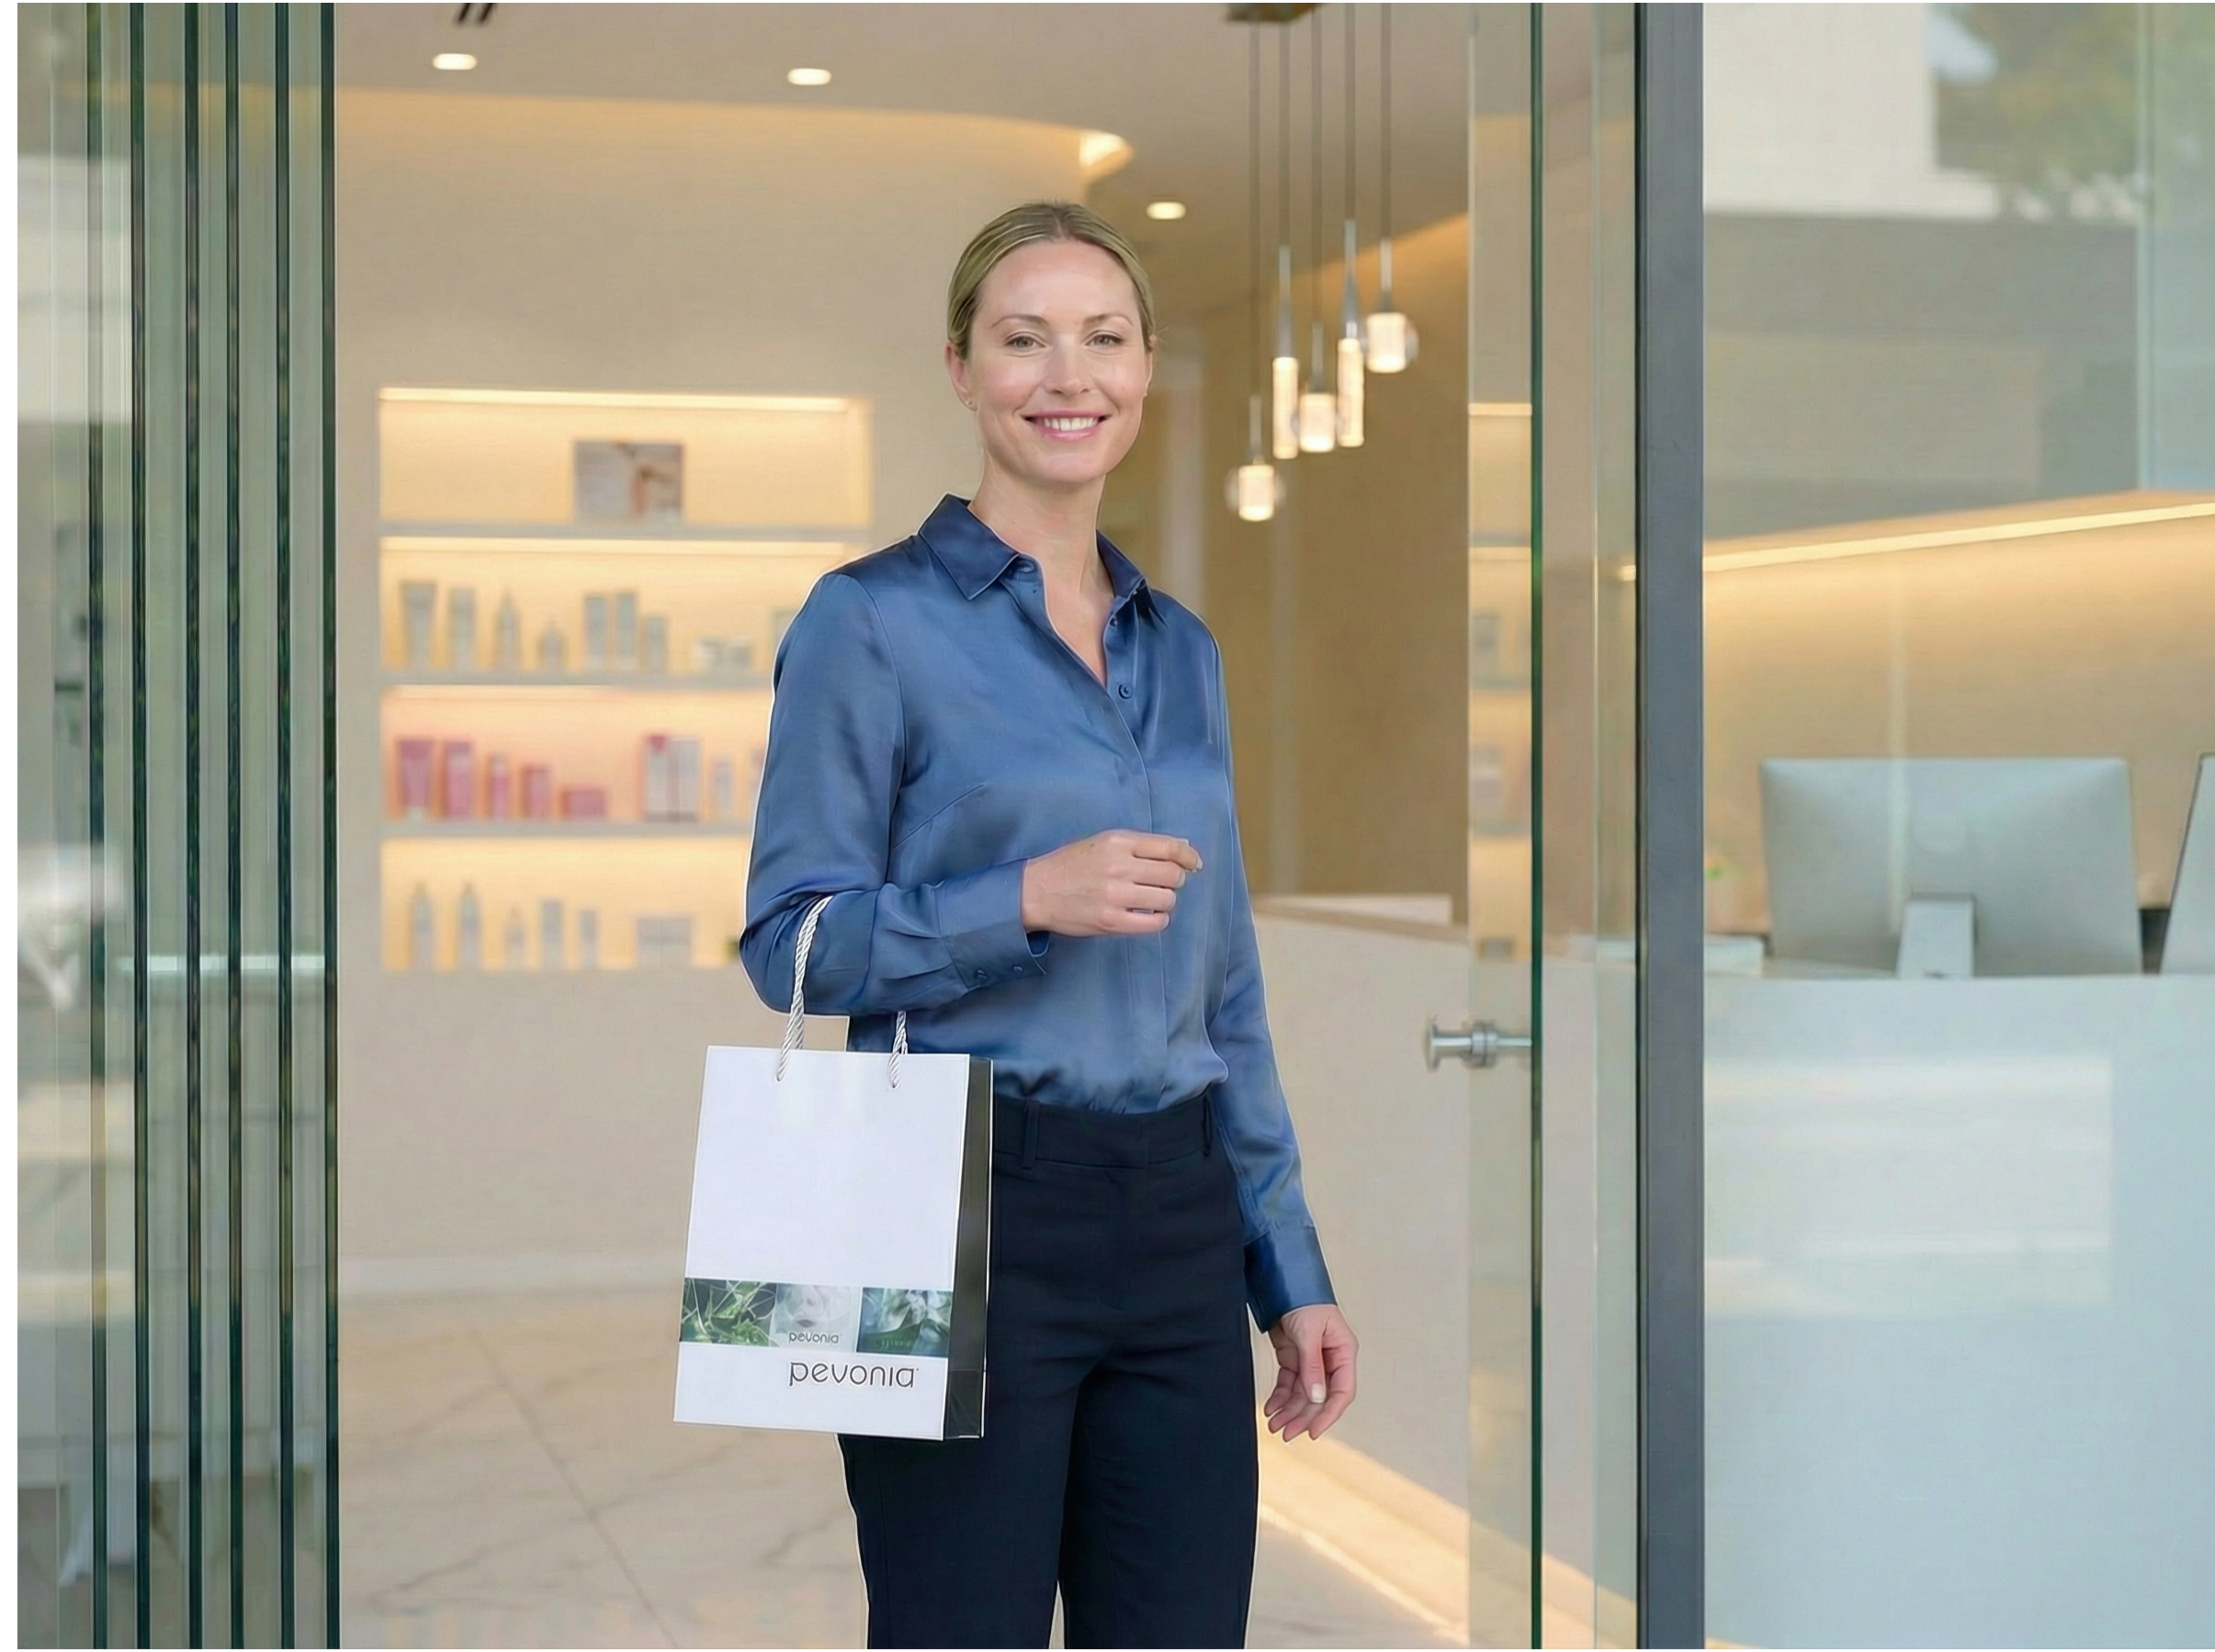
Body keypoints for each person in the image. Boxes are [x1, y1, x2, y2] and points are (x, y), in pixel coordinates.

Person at [740, 199, 1358, 1650]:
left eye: (1102, 337)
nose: (1065, 374)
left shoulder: (1179, 648)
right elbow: (792, 942)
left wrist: (1290, 1264)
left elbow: (1227, 990)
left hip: (1179, 1219)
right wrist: (1021, 899)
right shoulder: (870, 620)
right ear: (960, 366)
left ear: (1143, 367)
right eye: (1023, 339)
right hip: (958, 1199)